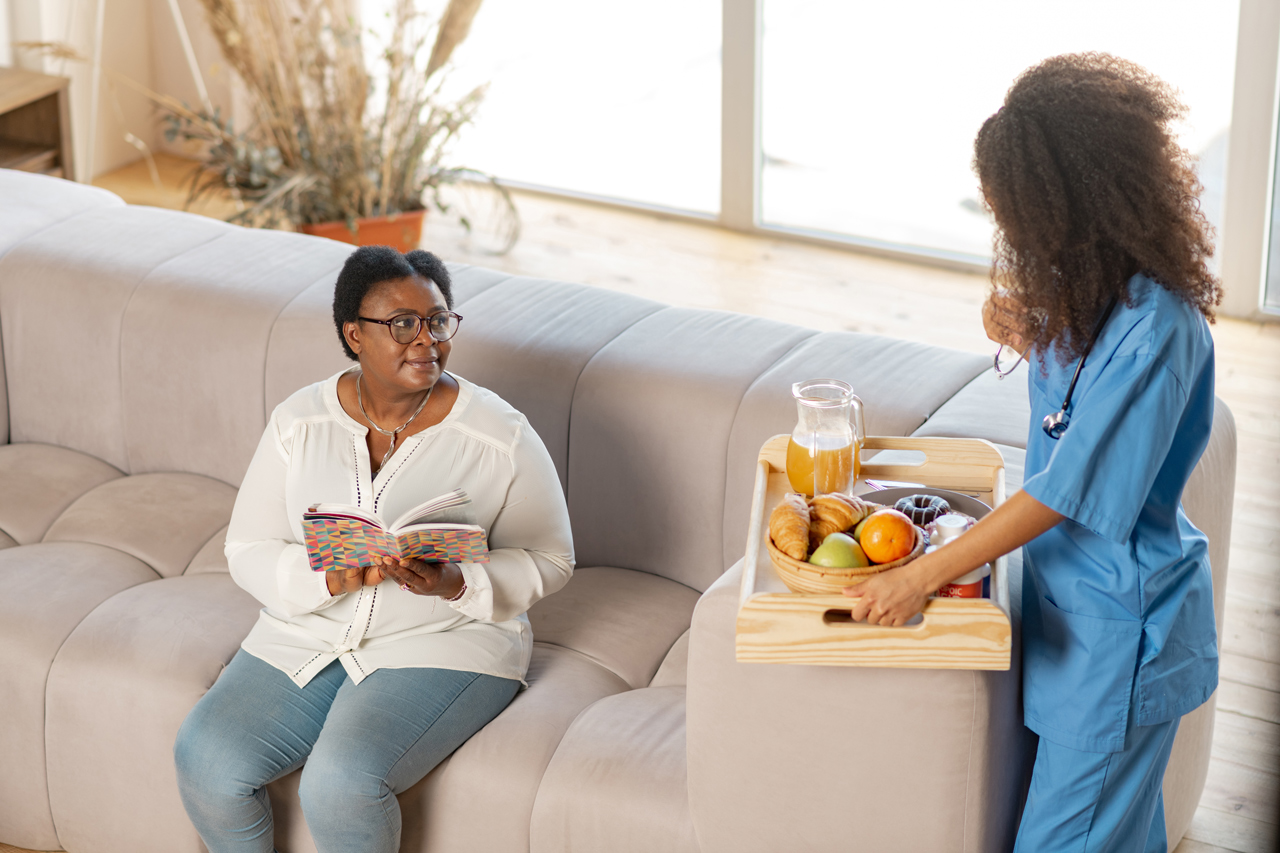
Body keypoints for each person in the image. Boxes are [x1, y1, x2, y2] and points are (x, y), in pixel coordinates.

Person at [842, 53, 1221, 852]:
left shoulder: (1160, 327)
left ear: (1072, 203)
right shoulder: (1094, 289)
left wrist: (920, 573)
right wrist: (1033, 325)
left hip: (1123, 632)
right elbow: (1076, 393)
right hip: (1073, 619)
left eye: (1019, 212)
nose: (1013, 232)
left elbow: (1067, 490)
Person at [173, 245, 574, 853]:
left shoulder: (500, 435)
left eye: (438, 322)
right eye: (402, 324)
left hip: (443, 641)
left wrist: (453, 581)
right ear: (353, 334)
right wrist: (329, 580)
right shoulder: (298, 421)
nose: (426, 341)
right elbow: (249, 545)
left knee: (339, 786)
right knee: (205, 758)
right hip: (308, 631)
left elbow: (552, 558)